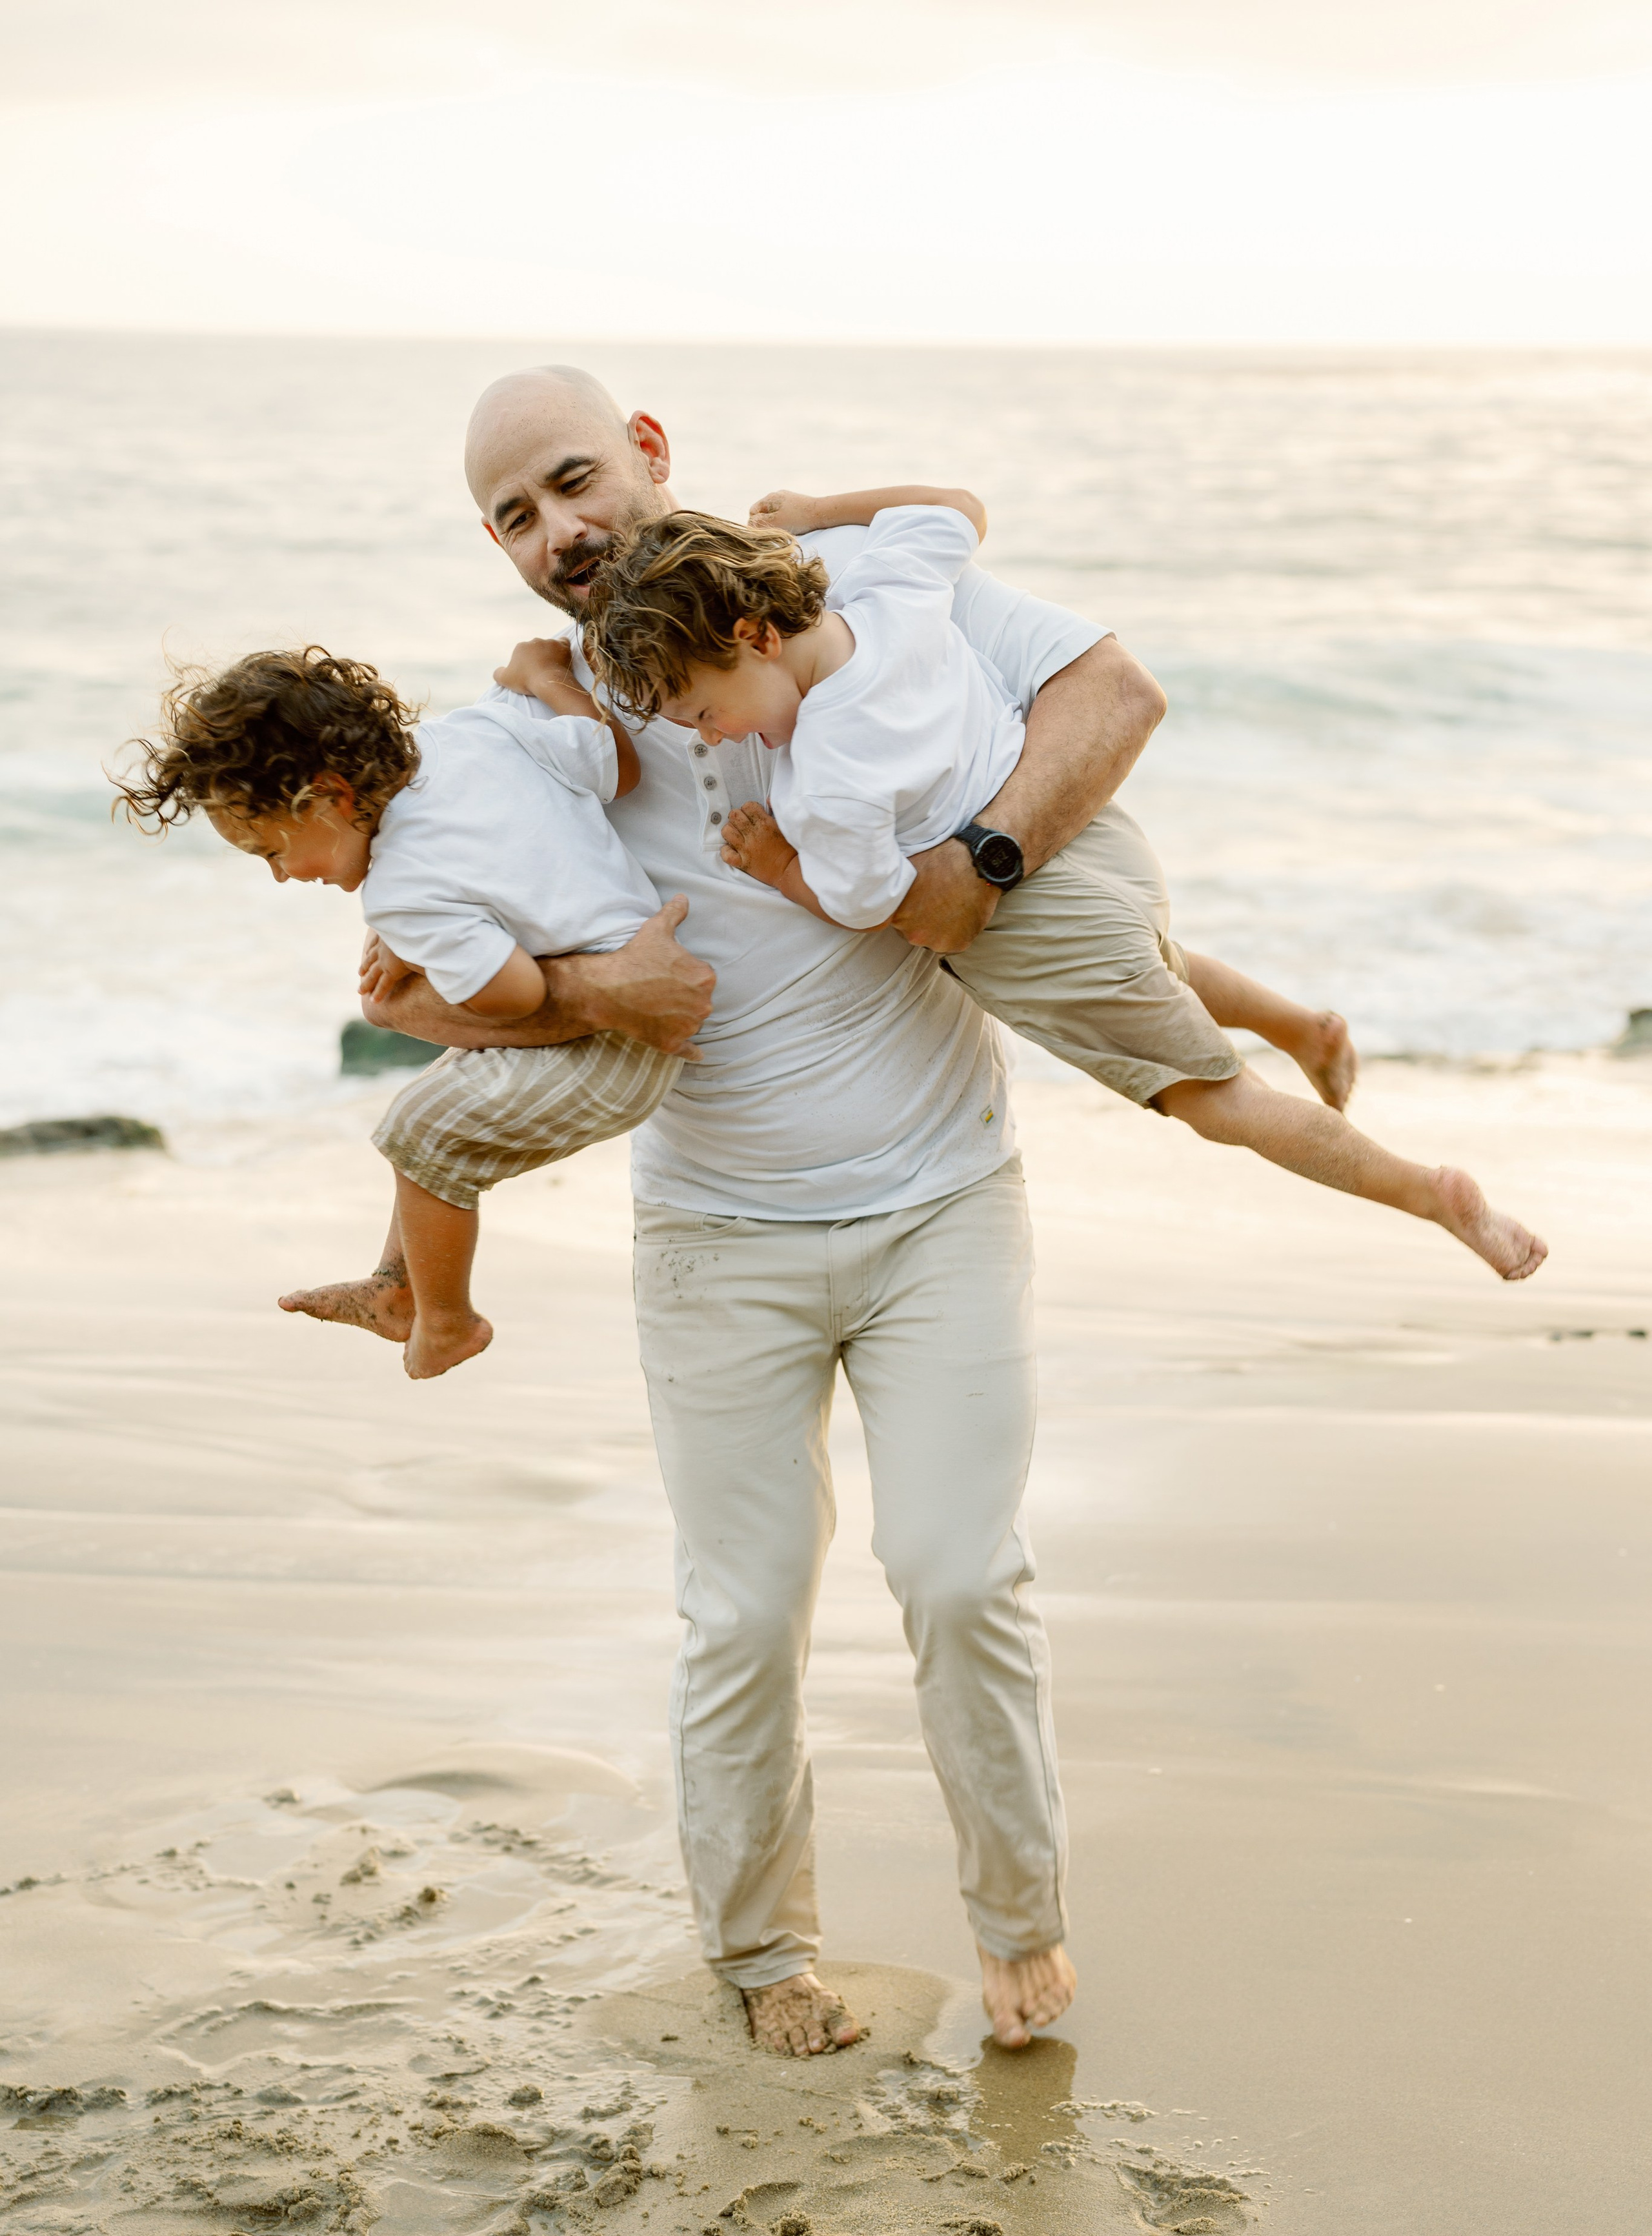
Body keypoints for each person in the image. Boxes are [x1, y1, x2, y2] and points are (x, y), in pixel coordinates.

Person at [286, 363, 1185, 2059]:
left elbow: (1114, 694)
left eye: (572, 483)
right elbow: (450, 979)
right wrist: (542, 991)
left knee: (959, 1571)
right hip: (715, 1236)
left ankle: (1021, 1927)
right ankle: (766, 1955)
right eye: (514, 517)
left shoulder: (825, 601)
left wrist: (969, 872)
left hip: (941, 1202)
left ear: (647, 454)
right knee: (744, 1610)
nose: (559, 532)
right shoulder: (534, 731)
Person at [565, 487, 1546, 1284]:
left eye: (703, 708)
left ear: (755, 636)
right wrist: (824, 506)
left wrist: (778, 865)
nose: (708, 736)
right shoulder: (892, 596)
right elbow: (955, 509)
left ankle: (1435, 1194)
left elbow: (882, 910)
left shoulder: (826, 784)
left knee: (1217, 1102)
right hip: (1090, 844)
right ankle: (1304, 1025)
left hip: (1027, 925)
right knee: (1151, 962)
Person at [113, 641, 693, 1378]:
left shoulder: (401, 892)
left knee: (420, 1134)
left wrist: (422, 949)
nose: (283, 877)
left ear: (329, 798)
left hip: (618, 1048)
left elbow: (517, 996)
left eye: (270, 851)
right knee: (433, 1112)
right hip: (639, 982)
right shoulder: (469, 735)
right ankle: (395, 1285)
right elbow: (617, 765)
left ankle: (444, 1320)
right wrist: (550, 680)